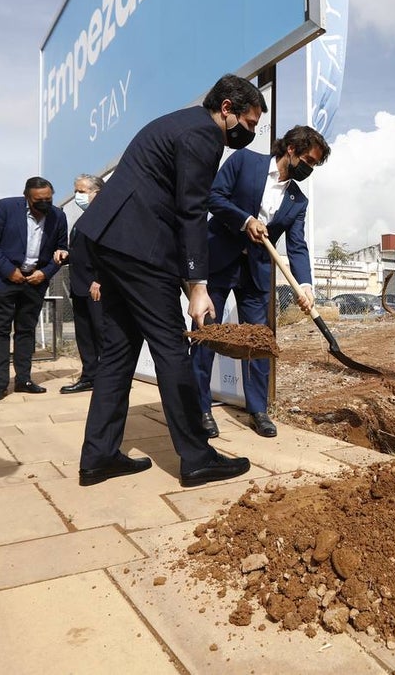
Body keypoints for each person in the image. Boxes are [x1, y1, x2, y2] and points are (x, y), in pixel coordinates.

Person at [75, 73, 266, 487]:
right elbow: (192, 211)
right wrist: (197, 286)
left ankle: (99, 456)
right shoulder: (203, 135)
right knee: (172, 350)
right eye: (249, 124)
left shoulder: (178, 123)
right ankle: (197, 458)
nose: (250, 133)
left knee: (120, 353)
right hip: (141, 247)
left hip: (113, 242)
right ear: (227, 109)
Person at [193, 125, 331, 439]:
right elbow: (214, 197)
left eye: (315, 166)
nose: (309, 169)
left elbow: (296, 245)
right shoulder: (244, 162)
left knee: (259, 341)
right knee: (207, 336)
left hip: (256, 274)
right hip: (219, 262)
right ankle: (200, 408)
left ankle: (258, 409)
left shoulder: (298, 200)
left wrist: (306, 286)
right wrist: (245, 220)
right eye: (308, 161)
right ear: (292, 149)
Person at [0, 177, 68, 402]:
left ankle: (24, 380)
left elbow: (61, 250)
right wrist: (9, 271)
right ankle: (0, 384)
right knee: (0, 330)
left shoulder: (58, 216)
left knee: (26, 330)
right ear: (27, 197)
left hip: (35, 281)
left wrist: (45, 273)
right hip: (4, 278)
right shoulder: (5, 207)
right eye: (39, 200)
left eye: (48, 199)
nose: (44, 203)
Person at [56, 174, 104, 394]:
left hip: (97, 288)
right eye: (76, 191)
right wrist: (66, 253)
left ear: (97, 192)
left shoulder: (106, 216)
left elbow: (109, 253)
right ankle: (90, 376)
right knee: (85, 336)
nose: (78, 196)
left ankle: (108, 380)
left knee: (102, 334)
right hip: (79, 286)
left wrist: (99, 279)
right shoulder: (83, 218)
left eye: (82, 191)